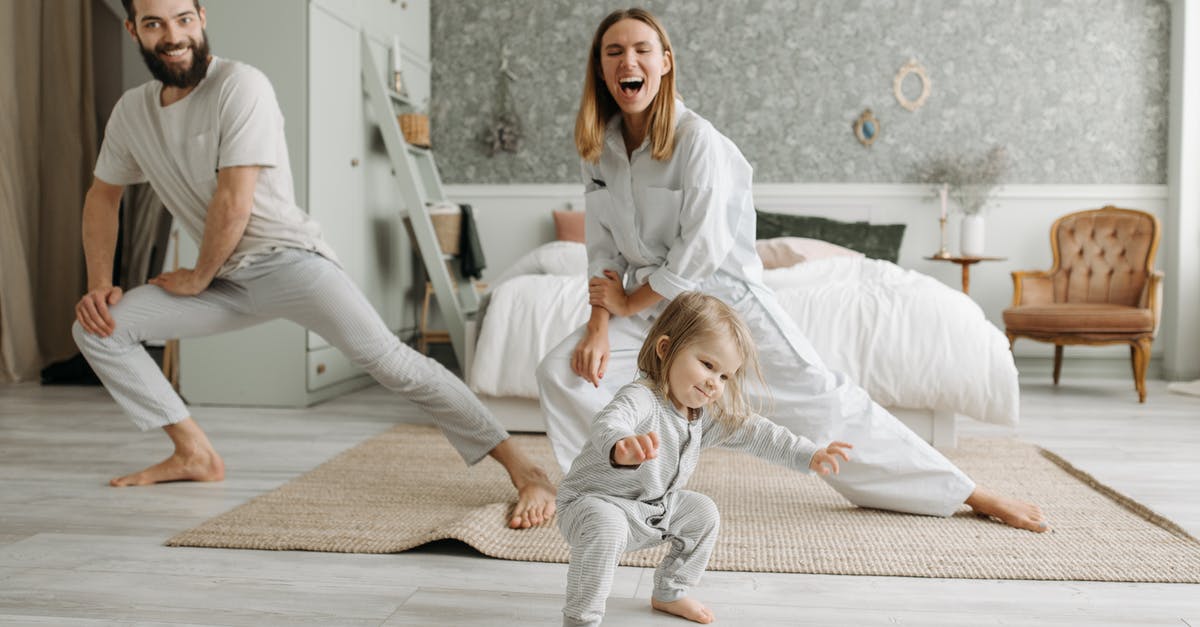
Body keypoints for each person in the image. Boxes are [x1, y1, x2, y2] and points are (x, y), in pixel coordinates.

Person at [537, 7, 1048, 533]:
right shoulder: (599, 148)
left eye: (642, 49)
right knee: (566, 373)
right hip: (645, 307)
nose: (629, 61)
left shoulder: (699, 142)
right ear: (601, 70)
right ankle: (615, 494)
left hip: (722, 300)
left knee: (821, 398)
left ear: (665, 62)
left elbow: (700, 251)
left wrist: (629, 301)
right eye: (614, 52)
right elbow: (602, 249)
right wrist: (602, 322)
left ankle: (965, 491)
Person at [72, 0, 555, 529]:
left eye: (183, 18)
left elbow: (234, 200)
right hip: (223, 280)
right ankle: (193, 453)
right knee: (99, 329)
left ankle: (526, 470)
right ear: (133, 31)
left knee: (396, 365)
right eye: (154, 23)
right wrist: (100, 284)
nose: (173, 34)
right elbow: (102, 197)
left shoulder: (240, 85)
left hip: (289, 263)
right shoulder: (132, 112)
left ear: (202, 17)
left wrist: (196, 276)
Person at [557, 292, 851, 626]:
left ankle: (670, 591)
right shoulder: (642, 397)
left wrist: (807, 453)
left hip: (653, 509)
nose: (715, 382)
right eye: (708, 365)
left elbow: (756, 432)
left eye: (725, 376)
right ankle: (582, 618)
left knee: (702, 512)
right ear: (665, 349)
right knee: (606, 526)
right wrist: (620, 445)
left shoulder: (702, 415)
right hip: (592, 504)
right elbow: (609, 421)